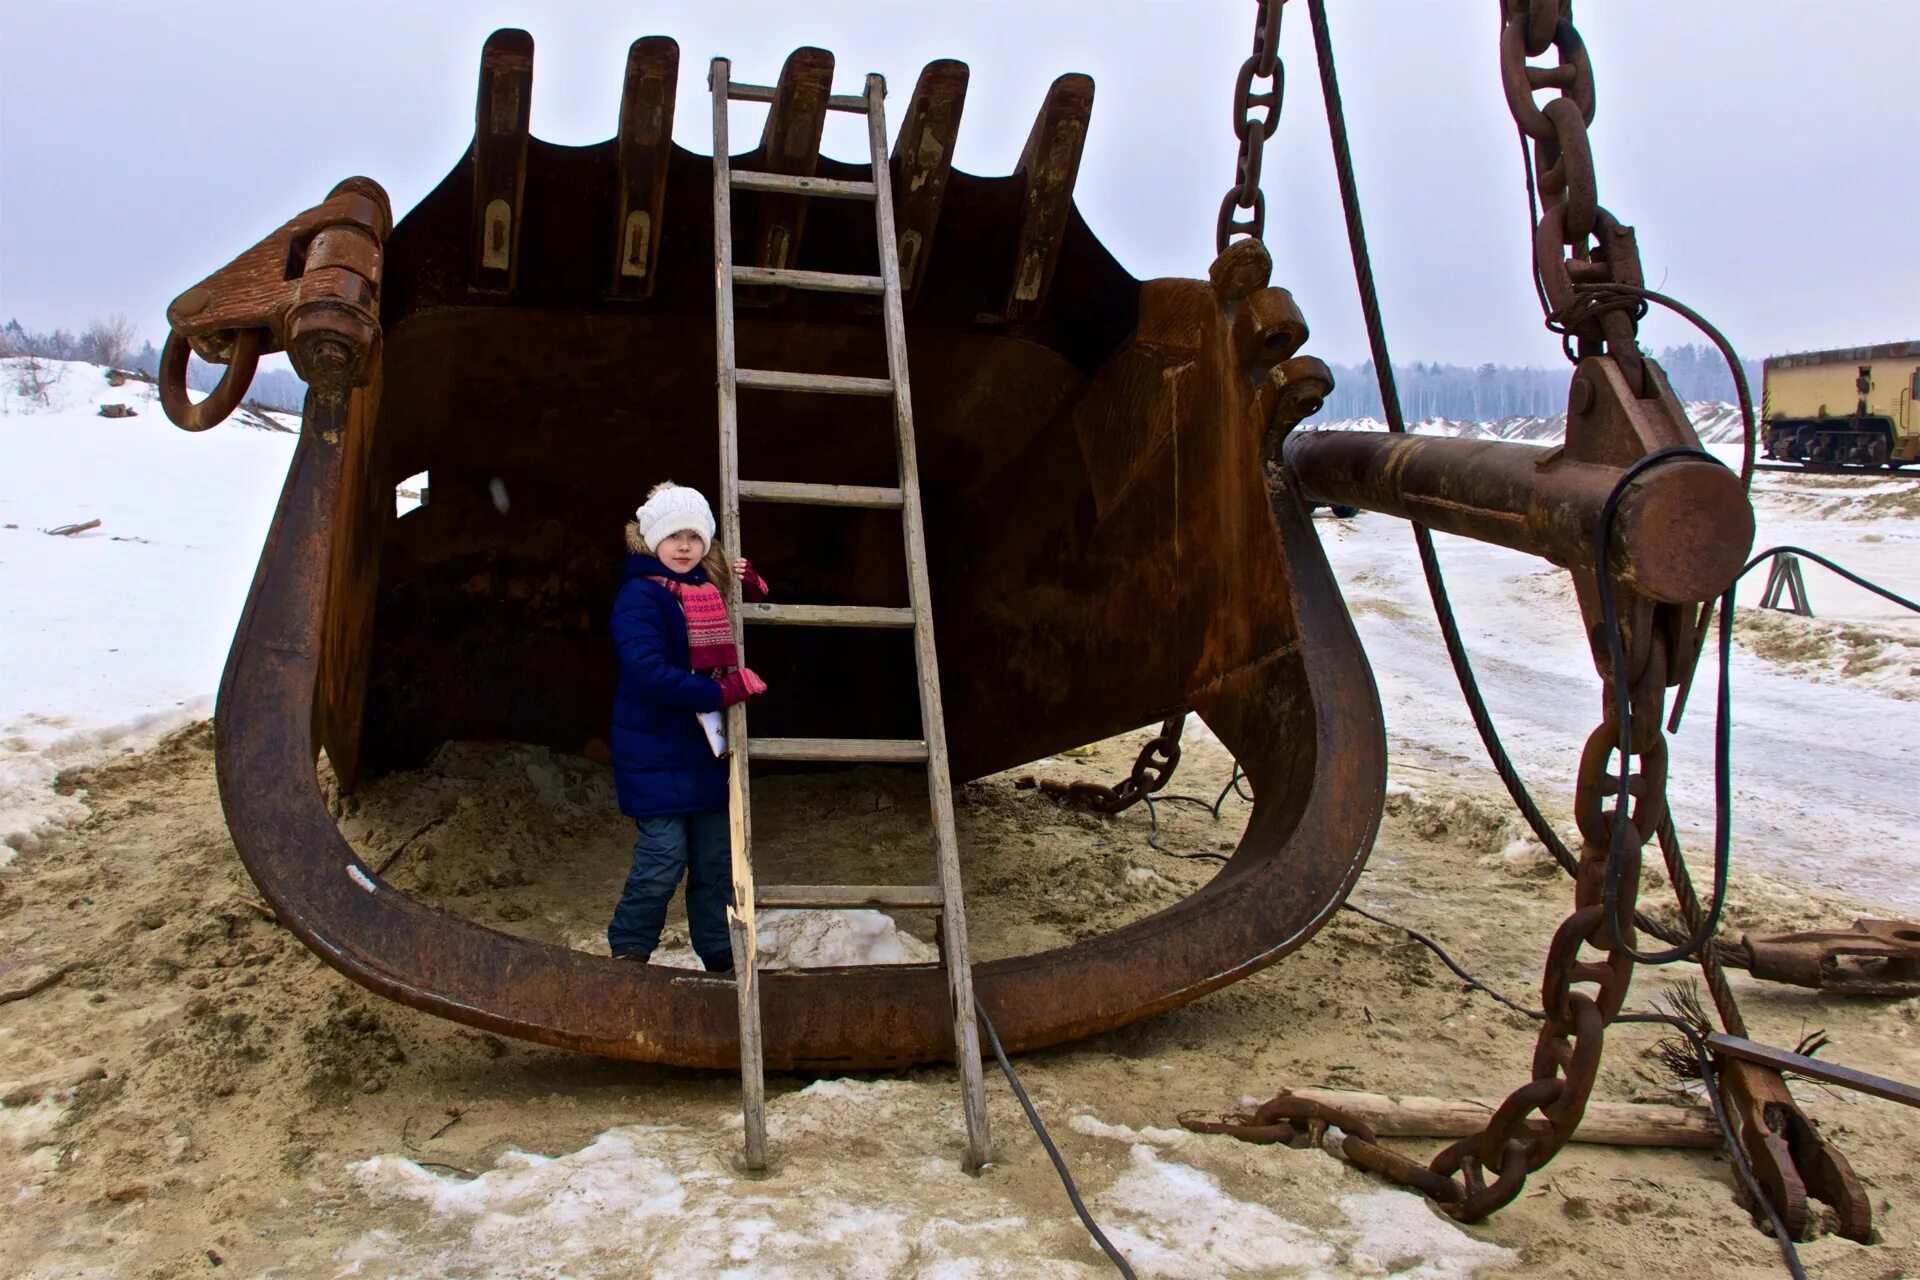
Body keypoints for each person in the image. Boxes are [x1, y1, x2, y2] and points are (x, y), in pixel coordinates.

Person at [607, 481, 769, 971]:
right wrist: (722, 692)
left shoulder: (706, 589)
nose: (683, 546)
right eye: (673, 536)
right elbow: (646, 671)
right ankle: (630, 952)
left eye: (694, 537)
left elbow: (752, 610)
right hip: (653, 749)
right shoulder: (640, 596)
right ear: (652, 539)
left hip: (703, 751)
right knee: (662, 859)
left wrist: (750, 581)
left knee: (715, 862)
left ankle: (718, 953)